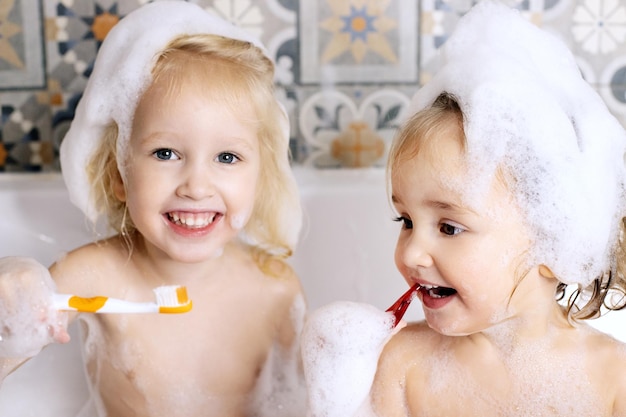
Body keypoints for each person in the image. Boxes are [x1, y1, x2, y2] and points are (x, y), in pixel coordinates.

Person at [302, 2, 626, 416]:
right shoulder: (404, 364)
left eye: (449, 227)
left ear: (554, 242)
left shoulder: (614, 380)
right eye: (406, 221)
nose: (410, 253)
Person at [0, 2, 305, 416]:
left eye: (227, 158)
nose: (196, 186)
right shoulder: (90, 277)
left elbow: (315, 401)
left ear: (260, 178)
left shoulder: (275, 289)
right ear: (119, 176)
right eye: (165, 153)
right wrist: (11, 296)